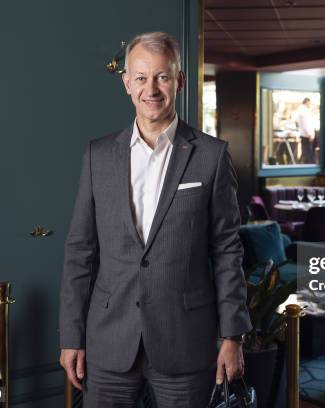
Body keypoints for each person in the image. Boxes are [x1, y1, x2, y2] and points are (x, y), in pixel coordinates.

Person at [58, 32, 252, 408]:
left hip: (185, 343)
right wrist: (71, 335)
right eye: (142, 77)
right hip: (109, 342)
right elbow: (80, 250)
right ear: (127, 83)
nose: (152, 88)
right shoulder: (98, 156)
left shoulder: (211, 157)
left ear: (179, 81)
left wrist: (233, 336)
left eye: (162, 76)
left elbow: (228, 251)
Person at [296, 97, 317, 164]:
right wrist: (310, 134)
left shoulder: (301, 110)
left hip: (304, 134)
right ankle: (306, 164)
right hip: (306, 135)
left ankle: (304, 163)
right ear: (306, 102)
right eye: (309, 103)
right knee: (307, 152)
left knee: (305, 151)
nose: (310, 105)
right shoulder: (304, 111)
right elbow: (306, 124)